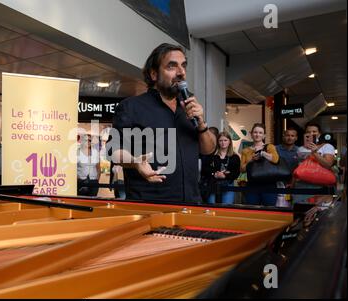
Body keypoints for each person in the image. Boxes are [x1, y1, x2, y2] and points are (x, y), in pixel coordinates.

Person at [109, 43, 216, 203]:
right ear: (154, 74)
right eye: (172, 66)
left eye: (183, 66)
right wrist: (136, 162)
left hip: (191, 204)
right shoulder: (132, 107)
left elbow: (208, 150)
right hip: (150, 206)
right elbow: (114, 151)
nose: (181, 72)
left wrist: (202, 125)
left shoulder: (189, 106)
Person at [294, 122, 335, 203]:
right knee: (299, 210)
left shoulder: (327, 146)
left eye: (314, 131)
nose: (311, 133)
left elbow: (328, 165)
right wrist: (292, 184)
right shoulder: (300, 149)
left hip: (319, 185)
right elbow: (298, 167)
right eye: (308, 132)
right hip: (301, 185)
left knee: (316, 212)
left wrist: (315, 153)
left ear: (319, 134)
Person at [240, 123, 279, 206]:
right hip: (252, 185)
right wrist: (251, 159)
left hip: (269, 184)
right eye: (255, 132)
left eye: (260, 133)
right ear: (251, 134)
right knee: (252, 211)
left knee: (269, 211)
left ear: (264, 135)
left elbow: (275, 160)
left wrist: (262, 153)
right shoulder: (245, 151)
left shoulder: (270, 147)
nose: (257, 134)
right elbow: (242, 169)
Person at [202, 132, 240, 204]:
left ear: (229, 142)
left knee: (226, 208)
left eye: (225, 140)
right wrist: (214, 174)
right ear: (218, 142)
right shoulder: (212, 155)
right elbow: (205, 169)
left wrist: (225, 175)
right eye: (221, 140)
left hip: (228, 185)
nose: (223, 143)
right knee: (211, 207)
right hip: (212, 184)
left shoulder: (235, 157)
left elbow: (236, 173)